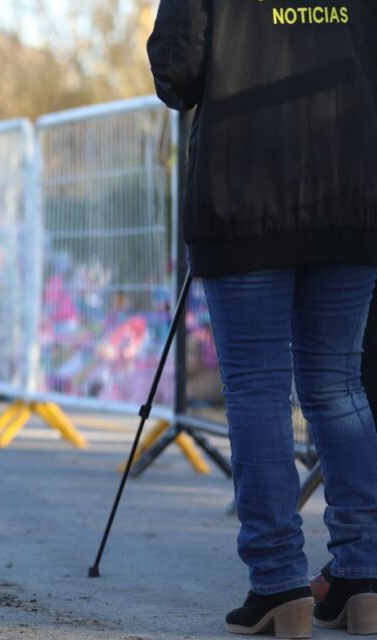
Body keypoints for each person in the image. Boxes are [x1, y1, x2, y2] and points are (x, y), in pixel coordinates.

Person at [149, 1, 377, 636]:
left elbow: (177, 71)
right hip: (352, 187)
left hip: (243, 190)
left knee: (257, 390)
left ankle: (280, 584)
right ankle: (364, 576)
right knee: (338, 384)